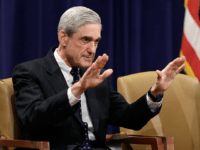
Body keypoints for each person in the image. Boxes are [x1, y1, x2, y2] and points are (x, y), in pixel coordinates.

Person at [12, 6, 186, 150]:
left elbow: (129, 118)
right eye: (85, 40)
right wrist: (78, 88)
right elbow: (33, 118)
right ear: (63, 38)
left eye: (96, 41)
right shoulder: (29, 72)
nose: (92, 49)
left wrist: (155, 93)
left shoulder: (96, 80)